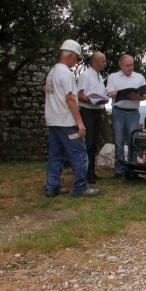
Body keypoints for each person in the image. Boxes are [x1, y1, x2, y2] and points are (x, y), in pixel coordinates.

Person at [44, 39, 100, 197]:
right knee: (79, 154)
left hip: (53, 121)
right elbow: (70, 98)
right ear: (70, 55)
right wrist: (80, 122)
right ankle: (80, 188)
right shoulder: (66, 73)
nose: (77, 62)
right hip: (66, 122)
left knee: (56, 155)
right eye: (77, 58)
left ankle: (52, 186)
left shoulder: (52, 72)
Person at [106, 54, 146, 177]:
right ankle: (119, 170)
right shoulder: (113, 77)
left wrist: (139, 97)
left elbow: (145, 96)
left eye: (131, 65)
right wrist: (122, 93)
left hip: (133, 113)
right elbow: (109, 92)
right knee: (119, 142)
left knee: (133, 141)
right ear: (121, 65)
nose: (130, 67)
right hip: (118, 111)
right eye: (127, 65)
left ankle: (132, 169)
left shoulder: (139, 77)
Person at [77, 51, 107, 184]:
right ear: (95, 62)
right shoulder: (85, 75)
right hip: (88, 111)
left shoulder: (99, 76)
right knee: (88, 143)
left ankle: (91, 172)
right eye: (103, 61)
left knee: (94, 143)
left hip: (97, 111)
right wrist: (91, 100)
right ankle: (86, 174)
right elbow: (79, 94)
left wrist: (102, 99)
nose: (105, 63)